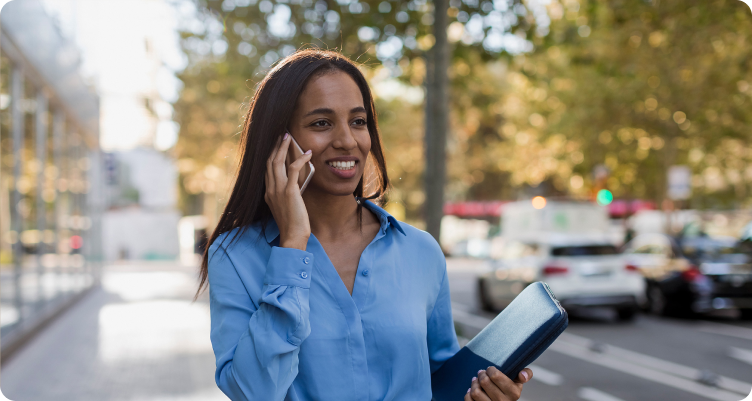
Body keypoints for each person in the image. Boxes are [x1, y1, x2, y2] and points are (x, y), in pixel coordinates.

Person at [194, 49, 533, 401]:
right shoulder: (234, 256)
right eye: (321, 123)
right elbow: (253, 392)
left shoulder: (420, 251)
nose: (348, 140)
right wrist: (292, 244)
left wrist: (483, 395)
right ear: (279, 141)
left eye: (358, 121)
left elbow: (443, 384)